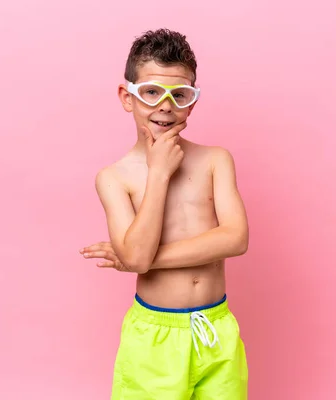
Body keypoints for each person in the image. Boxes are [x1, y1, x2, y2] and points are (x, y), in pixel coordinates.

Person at [80, 28, 249, 399]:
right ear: (128, 97)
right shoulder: (114, 178)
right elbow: (136, 255)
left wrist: (140, 261)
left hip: (216, 329)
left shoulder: (215, 160)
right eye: (151, 92)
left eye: (180, 94)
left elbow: (235, 239)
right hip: (155, 336)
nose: (165, 106)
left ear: (192, 101)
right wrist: (158, 174)